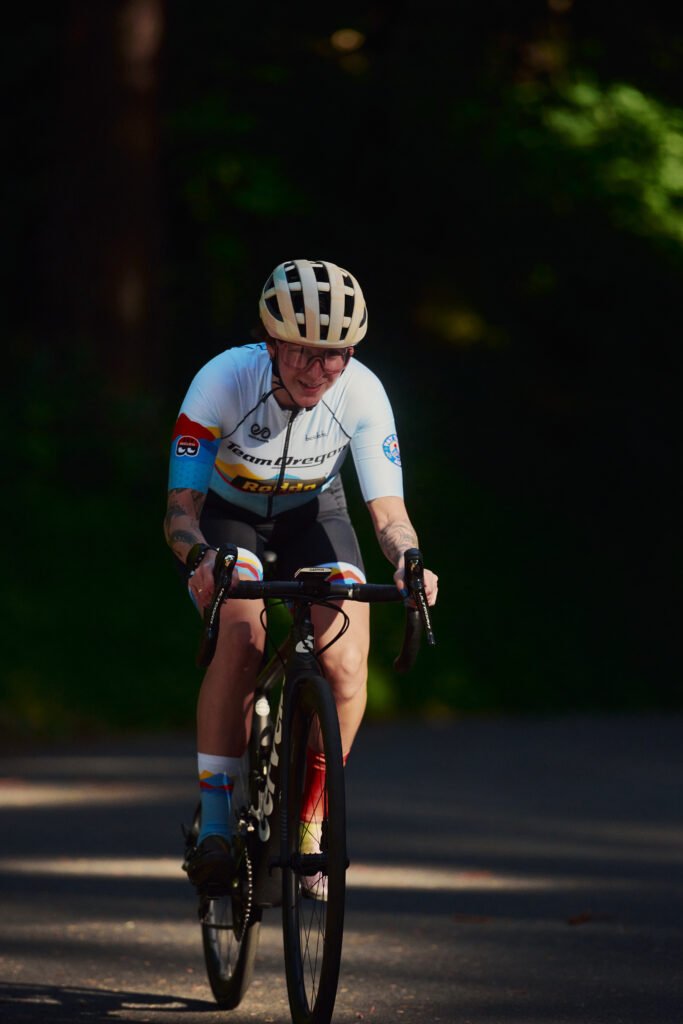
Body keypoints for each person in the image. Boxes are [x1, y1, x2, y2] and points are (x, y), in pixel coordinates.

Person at [164, 258, 438, 896]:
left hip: (315, 513)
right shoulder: (221, 381)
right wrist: (199, 558)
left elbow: (389, 514)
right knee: (242, 640)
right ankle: (215, 826)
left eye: (333, 355)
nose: (317, 371)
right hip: (229, 517)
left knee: (345, 662)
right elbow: (181, 511)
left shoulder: (362, 393)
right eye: (301, 353)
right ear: (270, 344)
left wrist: (409, 560)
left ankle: (311, 820)